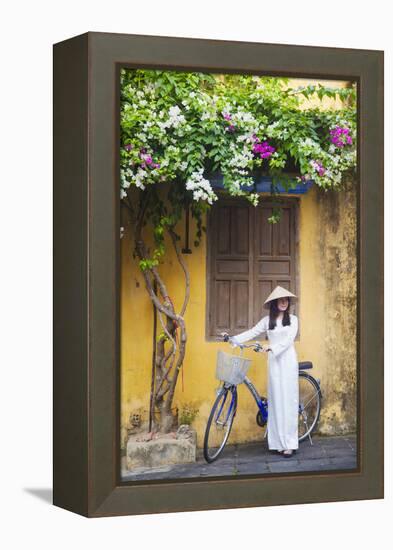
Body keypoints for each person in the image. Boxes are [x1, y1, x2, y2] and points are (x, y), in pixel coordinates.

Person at [231, 286, 299, 458]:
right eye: (280, 300)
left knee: (288, 401)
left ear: (288, 302)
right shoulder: (266, 321)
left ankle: (290, 444)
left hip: (288, 361)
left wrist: (270, 348)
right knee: (276, 400)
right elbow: (252, 332)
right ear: (274, 303)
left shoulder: (293, 320)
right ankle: (277, 443)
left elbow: (289, 341)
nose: (284, 302)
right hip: (274, 363)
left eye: (286, 300)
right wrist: (233, 339)